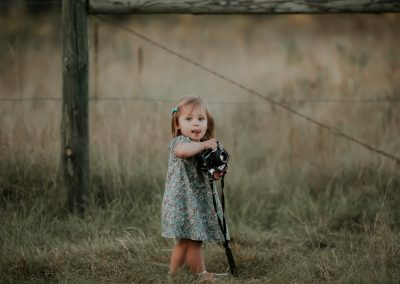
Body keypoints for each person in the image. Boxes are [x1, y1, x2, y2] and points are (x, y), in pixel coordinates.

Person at [161, 96, 228, 281]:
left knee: (189, 240)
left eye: (201, 119)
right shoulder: (179, 142)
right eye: (188, 119)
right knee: (190, 240)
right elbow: (183, 152)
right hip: (182, 201)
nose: (196, 124)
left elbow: (206, 172)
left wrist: (216, 173)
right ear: (177, 125)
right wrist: (205, 144)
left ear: (208, 122)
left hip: (196, 201)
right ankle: (195, 274)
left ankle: (179, 275)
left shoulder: (203, 147)